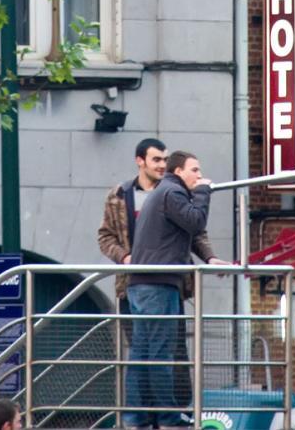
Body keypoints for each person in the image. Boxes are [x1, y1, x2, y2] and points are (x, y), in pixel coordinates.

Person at [98, 138, 224, 409]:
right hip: (133, 281)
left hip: (166, 280)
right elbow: (105, 236)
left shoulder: (175, 191)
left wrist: (210, 257)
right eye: (156, 159)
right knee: (144, 351)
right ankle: (150, 414)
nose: (162, 165)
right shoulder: (120, 195)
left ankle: (169, 413)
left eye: (165, 160)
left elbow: (194, 230)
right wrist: (125, 257)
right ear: (140, 161)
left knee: (171, 350)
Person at [123, 150, 214, 430]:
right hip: (158, 284)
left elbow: (188, 230)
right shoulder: (173, 193)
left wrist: (210, 257)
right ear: (179, 172)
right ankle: (166, 418)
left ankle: (137, 418)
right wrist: (203, 192)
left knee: (142, 352)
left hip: (145, 283)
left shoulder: (163, 193)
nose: (199, 176)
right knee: (160, 353)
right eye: (195, 170)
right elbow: (196, 221)